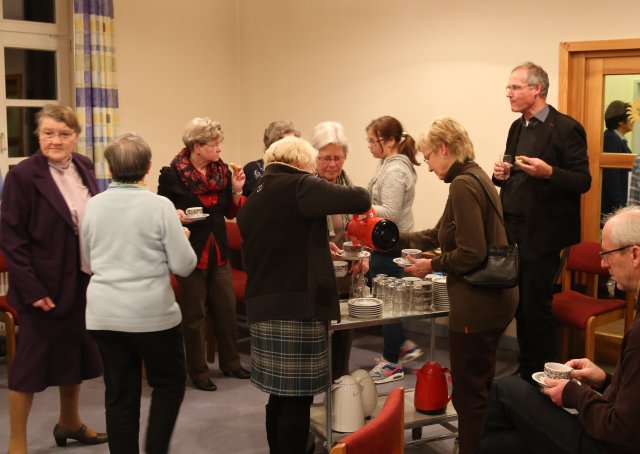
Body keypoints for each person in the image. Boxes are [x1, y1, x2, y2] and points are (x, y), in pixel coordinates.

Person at [237, 136, 370, 454]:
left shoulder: (257, 194)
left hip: (265, 304)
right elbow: (361, 198)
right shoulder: (299, 185)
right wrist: (317, 180)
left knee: (279, 396)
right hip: (297, 308)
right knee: (298, 400)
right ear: (300, 163)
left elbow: (279, 240)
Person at [478, 205, 640, 454]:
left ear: (635, 255)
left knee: (505, 389)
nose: (603, 263)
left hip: (606, 445)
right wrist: (604, 379)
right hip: (611, 431)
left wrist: (573, 395)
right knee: (502, 445)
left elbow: (620, 430)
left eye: (606, 253)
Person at [401, 117, 518, 454]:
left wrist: (432, 265)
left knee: (468, 394)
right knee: (478, 386)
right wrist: (392, 237)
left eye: (427, 158)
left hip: (477, 306)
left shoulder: (462, 186)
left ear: (443, 148)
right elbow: (438, 235)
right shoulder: (475, 176)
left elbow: (471, 252)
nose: (427, 166)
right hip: (496, 300)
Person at [0, 105, 106, 452]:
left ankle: (70, 422)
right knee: (29, 366)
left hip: (80, 278)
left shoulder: (84, 166)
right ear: (38, 135)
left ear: (76, 137)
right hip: (40, 286)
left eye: (64, 133)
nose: (55, 140)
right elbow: (12, 238)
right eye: (48, 133)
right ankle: (17, 443)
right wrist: (31, 289)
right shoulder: (23, 175)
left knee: (74, 352)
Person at [82, 133, 197, 453]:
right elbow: (185, 265)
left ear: (110, 168)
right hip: (152, 315)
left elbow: (89, 261)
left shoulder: (93, 205)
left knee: (119, 393)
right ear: (148, 167)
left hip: (104, 314)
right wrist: (182, 234)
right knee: (169, 384)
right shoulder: (160, 206)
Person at [494, 62, 591, 380]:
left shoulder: (566, 128)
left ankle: (546, 374)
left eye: (514, 87)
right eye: (508, 87)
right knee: (518, 303)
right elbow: (511, 168)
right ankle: (527, 367)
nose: (508, 93)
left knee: (536, 303)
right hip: (513, 226)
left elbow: (582, 180)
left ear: (536, 89)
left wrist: (549, 172)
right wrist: (501, 175)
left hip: (545, 231)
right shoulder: (517, 127)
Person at [158, 117, 251, 392]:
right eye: (214, 144)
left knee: (226, 308)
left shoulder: (222, 172)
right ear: (197, 146)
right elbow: (163, 213)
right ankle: (198, 371)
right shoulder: (172, 174)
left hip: (218, 249)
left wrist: (236, 189)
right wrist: (177, 217)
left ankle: (231, 363)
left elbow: (231, 212)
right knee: (194, 314)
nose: (220, 149)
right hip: (189, 250)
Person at [365, 115, 423, 384]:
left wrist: (360, 205)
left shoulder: (396, 171)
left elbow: (391, 211)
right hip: (384, 244)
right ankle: (400, 346)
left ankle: (392, 363)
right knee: (386, 300)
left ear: (388, 141)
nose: (369, 145)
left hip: (391, 246)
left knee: (388, 303)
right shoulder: (387, 165)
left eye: (372, 140)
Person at [309, 120, 369, 380]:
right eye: (325, 158)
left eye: (338, 157)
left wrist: (363, 255)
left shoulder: (348, 187)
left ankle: (339, 388)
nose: (332, 164)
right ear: (314, 157)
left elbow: (363, 226)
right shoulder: (307, 188)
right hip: (316, 277)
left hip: (347, 275)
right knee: (317, 343)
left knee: (344, 338)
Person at [242, 120, 300, 196]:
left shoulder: (300, 170)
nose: (292, 147)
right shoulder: (252, 169)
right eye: (287, 143)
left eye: (294, 142)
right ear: (272, 144)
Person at [601, 100, 633, 217]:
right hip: (613, 206)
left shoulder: (617, 139)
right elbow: (612, 176)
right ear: (620, 121)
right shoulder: (611, 138)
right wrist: (619, 205)